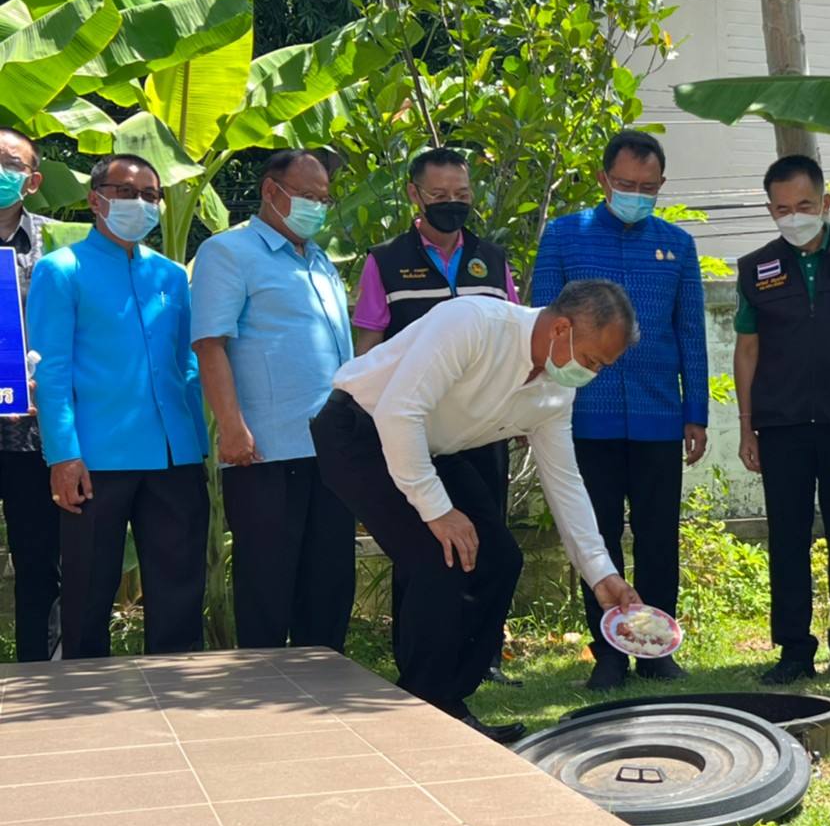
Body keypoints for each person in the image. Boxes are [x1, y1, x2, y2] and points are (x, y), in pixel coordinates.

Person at [310, 280, 643, 737]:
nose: (592, 374)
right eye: (591, 360)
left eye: (601, 366)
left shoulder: (555, 392)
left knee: (499, 561)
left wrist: (600, 573)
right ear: (561, 327)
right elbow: (398, 413)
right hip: (359, 429)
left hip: (431, 449)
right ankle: (421, 714)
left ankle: (447, 699)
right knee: (438, 558)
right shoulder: (473, 323)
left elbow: (564, 482)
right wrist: (437, 509)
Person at [532, 131, 708, 691]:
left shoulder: (677, 245)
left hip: (658, 414)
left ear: (660, 186)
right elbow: (540, 323)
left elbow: (692, 334)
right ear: (604, 180)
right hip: (582, 415)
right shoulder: (564, 237)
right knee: (597, 536)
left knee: (659, 536)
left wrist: (695, 413)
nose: (636, 194)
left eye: (648, 187)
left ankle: (657, 649)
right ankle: (609, 652)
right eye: (626, 184)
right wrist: (535, 402)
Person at [352, 146, 523, 683]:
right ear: (414, 196)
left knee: (488, 540)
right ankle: (416, 655)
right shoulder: (384, 261)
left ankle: (482, 654)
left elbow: (515, 334)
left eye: (463, 196)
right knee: (427, 548)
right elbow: (369, 345)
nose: (453, 205)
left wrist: (515, 412)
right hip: (417, 435)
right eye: (441, 196)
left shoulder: (492, 260)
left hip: (481, 429)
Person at [29, 154, 210, 658]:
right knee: (88, 586)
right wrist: (63, 456)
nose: (139, 204)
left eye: (150, 196)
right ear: (96, 199)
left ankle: (177, 688)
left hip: (175, 455)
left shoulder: (171, 276)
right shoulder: (60, 270)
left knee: (179, 585)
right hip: (95, 458)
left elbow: (186, 365)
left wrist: (197, 442)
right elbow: (52, 370)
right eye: (125, 192)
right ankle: (83, 696)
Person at [191, 149, 356, 651]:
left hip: (332, 450)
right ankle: (264, 693)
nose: (317, 207)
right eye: (307, 196)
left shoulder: (320, 259)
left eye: (323, 199)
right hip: (267, 449)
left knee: (328, 582)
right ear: (270, 191)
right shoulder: (229, 252)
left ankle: (326, 686)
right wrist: (233, 428)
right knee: (268, 584)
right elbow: (209, 344)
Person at [734, 155, 830, 685]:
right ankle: (794, 649)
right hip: (782, 422)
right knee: (787, 537)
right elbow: (746, 350)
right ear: (770, 209)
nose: (794, 216)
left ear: (826, 204)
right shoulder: (755, 268)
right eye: (782, 208)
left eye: (805, 206)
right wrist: (747, 425)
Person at [0, 129, 61, 662]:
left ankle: (40, 675)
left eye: (8, 163)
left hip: (32, 434)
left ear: (33, 181)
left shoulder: (56, 245)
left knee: (40, 563)